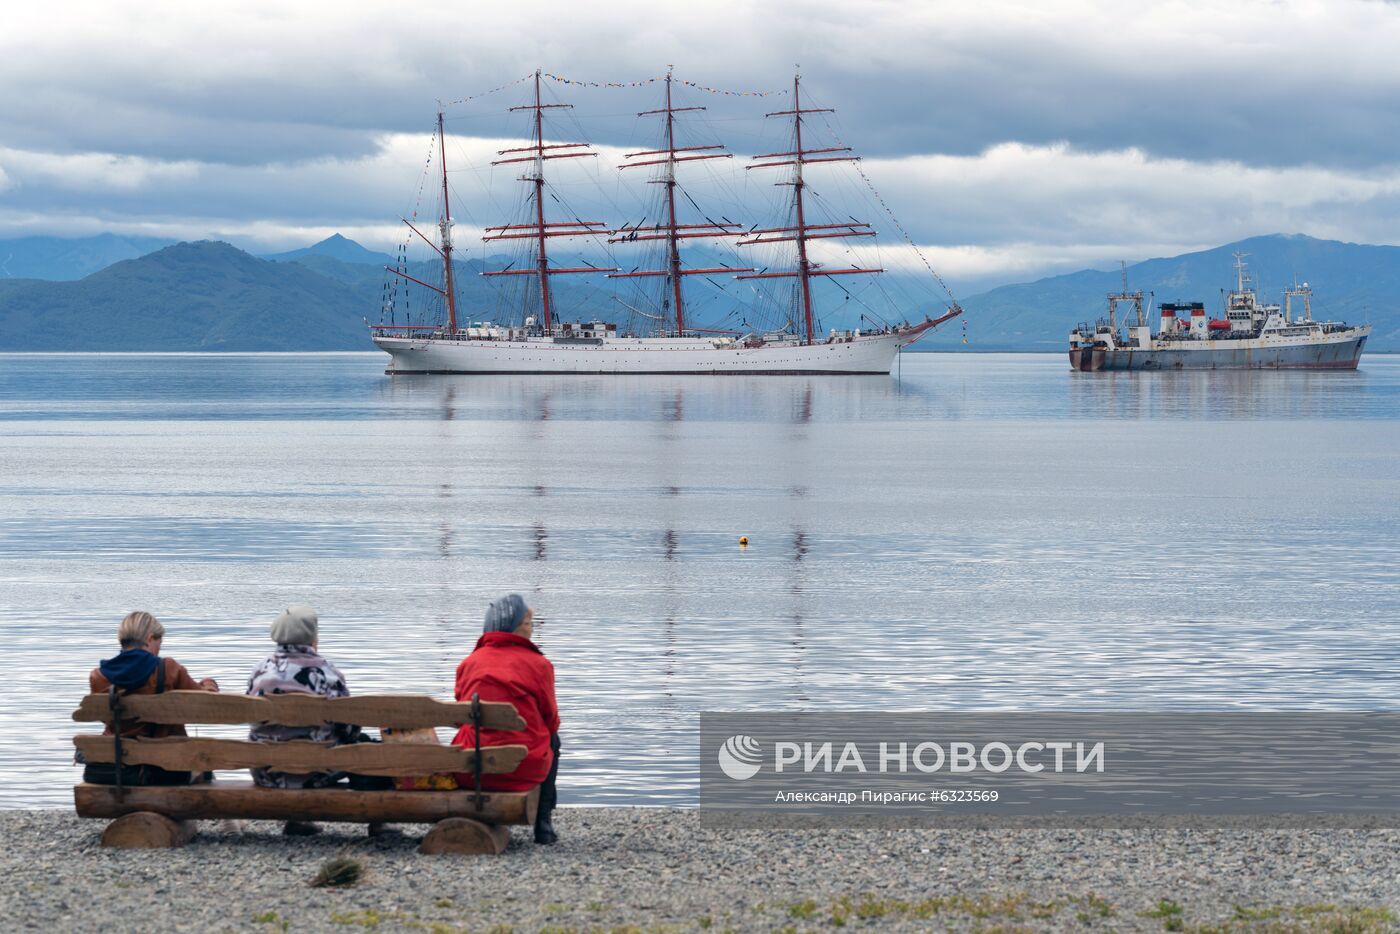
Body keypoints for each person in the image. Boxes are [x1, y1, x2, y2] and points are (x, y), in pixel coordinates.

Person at [246, 605, 367, 836]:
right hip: (317, 773)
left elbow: (254, 722)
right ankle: (380, 823)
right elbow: (350, 729)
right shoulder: (327, 673)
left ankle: (299, 821)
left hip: (267, 773)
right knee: (365, 747)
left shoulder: (259, 672)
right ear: (313, 637)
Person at [452, 593, 561, 845]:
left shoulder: (469, 663)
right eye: (529, 623)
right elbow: (551, 721)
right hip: (522, 769)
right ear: (517, 628)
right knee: (553, 739)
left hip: (471, 771)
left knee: (470, 731)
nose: (532, 629)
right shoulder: (539, 665)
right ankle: (543, 823)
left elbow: (461, 712)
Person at [84, 611, 220, 786]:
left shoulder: (99, 676)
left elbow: (107, 719)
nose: (159, 650)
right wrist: (209, 684)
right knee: (204, 770)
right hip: (168, 768)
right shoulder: (168, 669)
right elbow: (207, 704)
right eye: (159, 642)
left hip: (117, 766)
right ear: (149, 639)